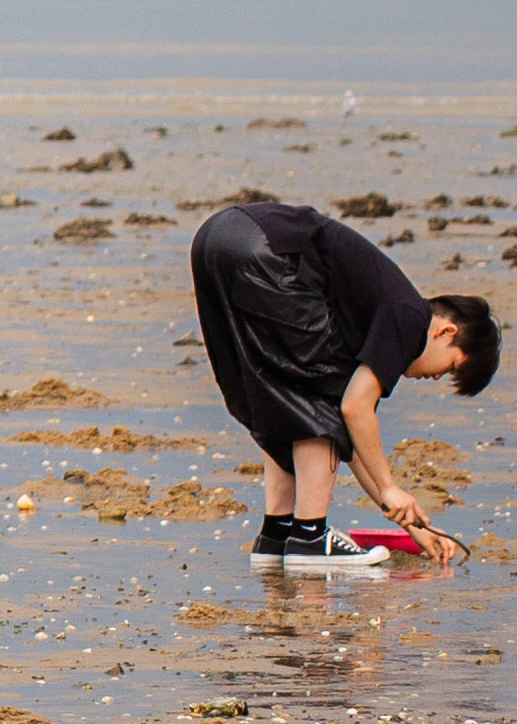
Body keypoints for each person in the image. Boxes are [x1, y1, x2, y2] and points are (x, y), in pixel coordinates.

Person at [186, 196, 500, 562]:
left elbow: (351, 435)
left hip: (215, 236)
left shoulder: (377, 314)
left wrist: (411, 523)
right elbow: (351, 409)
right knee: (320, 398)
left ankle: (276, 535)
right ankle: (309, 537)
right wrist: (391, 488)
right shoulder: (410, 318)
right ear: (446, 333)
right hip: (268, 247)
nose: (436, 377)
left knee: (283, 401)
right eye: (450, 368)